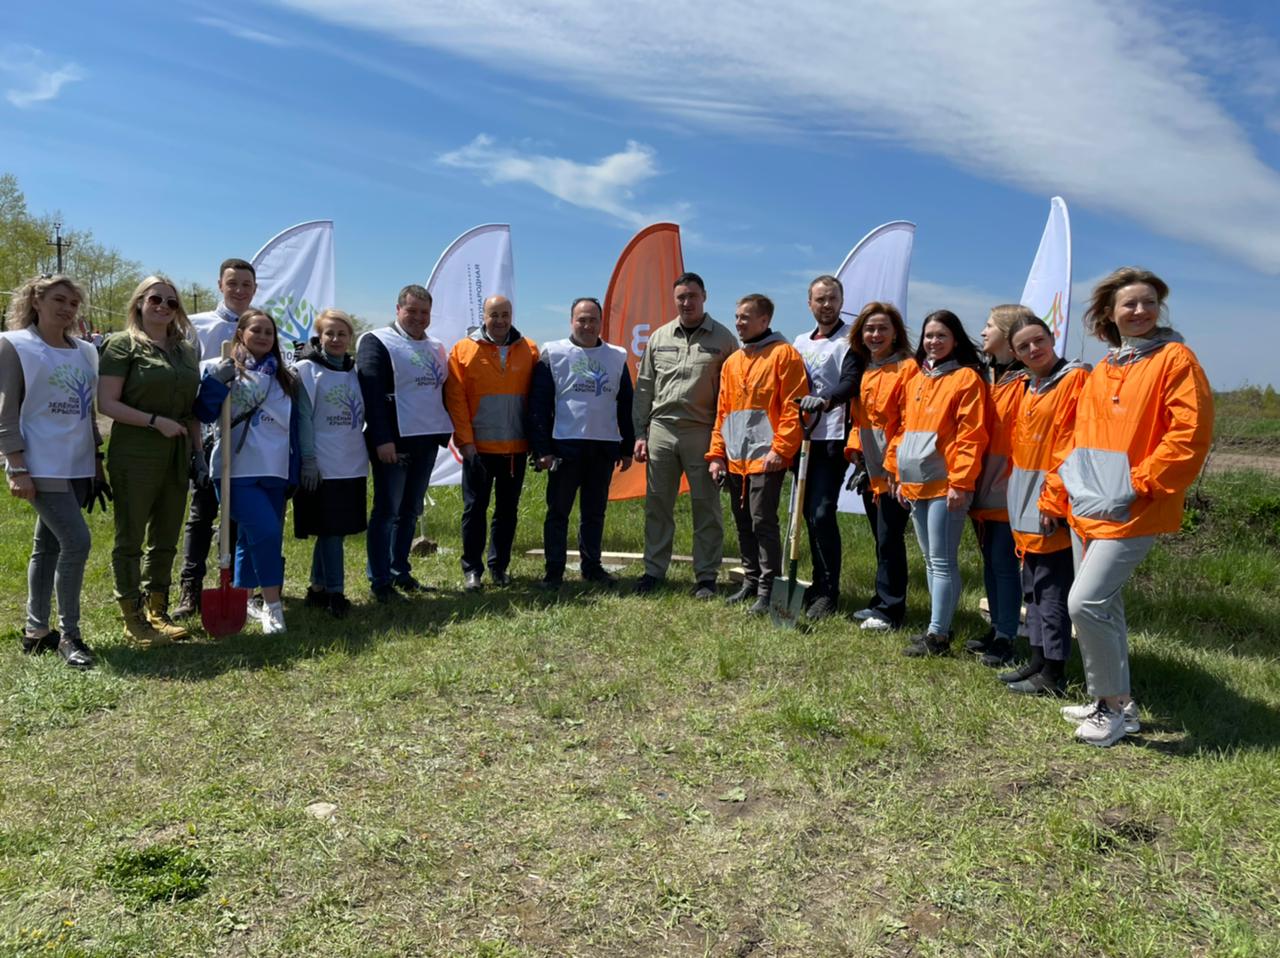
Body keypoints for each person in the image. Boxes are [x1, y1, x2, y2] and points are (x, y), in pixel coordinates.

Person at [1059, 268, 1212, 746]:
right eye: (1130, 303)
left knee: (1084, 603)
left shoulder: (1175, 359)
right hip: (1089, 505)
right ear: (1110, 313)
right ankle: (1115, 701)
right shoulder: (1105, 367)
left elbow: (1189, 435)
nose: (1141, 311)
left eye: (1149, 302)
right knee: (1105, 605)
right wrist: (1070, 487)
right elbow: (1082, 437)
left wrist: (1138, 484)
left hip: (1135, 505)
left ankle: (1110, 710)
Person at [0, 275, 103, 669]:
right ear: (36, 301)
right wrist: (16, 466)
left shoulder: (85, 352)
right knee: (77, 542)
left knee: (48, 546)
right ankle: (70, 634)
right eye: (59, 300)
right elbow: (6, 413)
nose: (67, 309)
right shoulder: (15, 346)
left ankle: (36, 630)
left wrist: (97, 461)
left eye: (73, 303)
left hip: (77, 464)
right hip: (40, 464)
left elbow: (88, 412)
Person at [97, 275, 203, 645]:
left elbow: (191, 410)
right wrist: (155, 421)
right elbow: (107, 403)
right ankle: (133, 617)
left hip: (177, 451)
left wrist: (199, 453)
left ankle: (158, 609)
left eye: (171, 302)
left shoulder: (185, 351)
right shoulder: (122, 345)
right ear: (140, 303)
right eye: (155, 299)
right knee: (130, 537)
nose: (163, 307)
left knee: (167, 535)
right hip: (136, 450)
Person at [886, 309, 988, 657]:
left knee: (943, 561)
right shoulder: (917, 379)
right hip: (916, 483)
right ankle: (939, 625)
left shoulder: (966, 379)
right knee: (930, 560)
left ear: (955, 340)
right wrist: (898, 474)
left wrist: (961, 483)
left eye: (941, 335)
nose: (933, 341)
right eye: (929, 335)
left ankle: (938, 636)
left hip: (946, 485)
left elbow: (971, 435)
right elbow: (904, 429)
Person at [194, 309, 301, 634]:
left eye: (269, 332)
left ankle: (244, 598)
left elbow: (292, 427)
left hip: (275, 468)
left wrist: (295, 469)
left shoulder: (284, 376)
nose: (264, 337)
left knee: (249, 537)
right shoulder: (221, 367)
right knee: (266, 532)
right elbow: (203, 413)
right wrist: (216, 382)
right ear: (241, 333)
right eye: (256, 330)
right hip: (235, 469)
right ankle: (273, 606)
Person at [632, 272, 737, 598]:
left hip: (702, 432)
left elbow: (731, 395)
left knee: (706, 507)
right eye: (681, 297)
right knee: (657, 505)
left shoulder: (724, 340)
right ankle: (654, 571)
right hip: (661, 430)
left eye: (692, 296)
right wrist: (640, 433)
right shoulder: (660, 337)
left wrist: (723, 443)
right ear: (674, 299)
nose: (687, 302)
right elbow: (645, 386)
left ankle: (706, 576)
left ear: (704, 296)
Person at [1001, 315, 1089, 696]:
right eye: (1023, 346)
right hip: (1024, 500)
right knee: (1033, 589)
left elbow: (1070, 445)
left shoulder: (1073, 381)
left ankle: (1054, 672)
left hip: (1051, 503)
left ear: (1052, 338)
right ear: (1016, 354)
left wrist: (1053, 500)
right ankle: (1036, 661)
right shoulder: (1029, 386)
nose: (1033, 349)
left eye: (1038, 340)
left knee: (1052, 590)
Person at [707, 294, 809, 614]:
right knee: (743, 521)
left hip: (767, 458)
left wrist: (781, 450)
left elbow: (794, 408)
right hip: (736, 458)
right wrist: (716, 454)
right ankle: (750, 581)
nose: (738, 322)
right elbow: (723, 412)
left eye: (745, 317)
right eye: (737, 316)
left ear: (764, 320)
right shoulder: (733, 362)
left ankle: (768, 589)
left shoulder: (784, 355)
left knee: (763, 521)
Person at [529, 297, 635, 588]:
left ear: (601, 322)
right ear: (571, 321)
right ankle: (554, 571)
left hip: (603, 446)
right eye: (582, 320)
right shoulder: (554, 353)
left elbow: (626, 403)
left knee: (594, 513)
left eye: (593, 320)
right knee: (558, 513)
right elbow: (538, 404)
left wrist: (627, 447)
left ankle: (592, 567)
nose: (587, 325)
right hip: (565, 446)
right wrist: (542, 449)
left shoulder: (617, 356)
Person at [356, 285, 453, 602]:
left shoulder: (436, 346)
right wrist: (382, 439)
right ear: (398, 309)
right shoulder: (376, 341)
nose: (418, 317)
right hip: (393, 443)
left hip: (426, 440)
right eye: (412, 311)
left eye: (424, 312)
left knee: (410, 510)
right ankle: (380, 579)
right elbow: (371, 393)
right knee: (387, 511)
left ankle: (400, 570)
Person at [173, 258, 258, 618]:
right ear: (220, 285)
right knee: (202, 512)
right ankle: (190, 588)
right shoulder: (198, 326)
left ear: (254, 289)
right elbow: (183, 377)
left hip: (246, 435)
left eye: (246, 284)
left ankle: (240, 585)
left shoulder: (260, 326)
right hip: (207, 431)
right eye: (232, 283)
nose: (239, 290)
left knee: (239, 514)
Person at [444, 294, 538, 591]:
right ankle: (472, 570)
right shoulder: (463, 349)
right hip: (479, 450)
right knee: (474, 511)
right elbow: (456, 400)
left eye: (505, 314)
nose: (499, 320)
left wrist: (537, 442)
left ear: (512, 316)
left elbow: (538, 399)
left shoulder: (529, 349)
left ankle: (499, 567)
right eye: (493, 315)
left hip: (515, 449)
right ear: (483, 317)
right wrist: (465, 442)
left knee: (507, 512)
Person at [844, 302, 917, 633]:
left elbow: (908, 421)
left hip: (893, 470)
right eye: (869, 329)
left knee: (890, 539)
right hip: (870, 468)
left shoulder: (907, 369)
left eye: (882, 328)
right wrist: (856, 451)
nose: (875, 334)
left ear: (895, 333)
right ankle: (880, 600)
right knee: (881, 538)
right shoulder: (865, 368)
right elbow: (859, 419)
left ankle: (891, 610)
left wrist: (892, 464)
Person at [793, 275, 861, 619]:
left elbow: (851, 381)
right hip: (803, 439)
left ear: (841, 301)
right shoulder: (800, 342)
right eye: (820, 299)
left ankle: (829, 591)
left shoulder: (850, 340)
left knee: (822, 513)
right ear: (809, 304)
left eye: (832, 298)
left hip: (832, 437)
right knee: (806, 514)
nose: (827, 304)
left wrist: (826, 400)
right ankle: (816, 585)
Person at [966, 306, 1030, 665]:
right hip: (982, 483)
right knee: (990, 561)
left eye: (989, 325)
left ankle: (1007, 636)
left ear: (1007, 333)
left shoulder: (1026, 380)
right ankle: (996, 627)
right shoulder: (988, 376)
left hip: (1007, 485)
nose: (983, 331)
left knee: (1004, 563)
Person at [294, 310, 369, 617]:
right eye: (330, 333)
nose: (336, 339)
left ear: (350, 337)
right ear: (319, 336)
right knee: (331, 530)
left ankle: (317, 588)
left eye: (342, 334)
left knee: (332, 530)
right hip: (323, 464)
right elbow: (303, 418)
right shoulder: (306, 371)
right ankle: (336, 593)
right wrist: (308, 460)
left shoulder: (355, 371)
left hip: (351, 462)